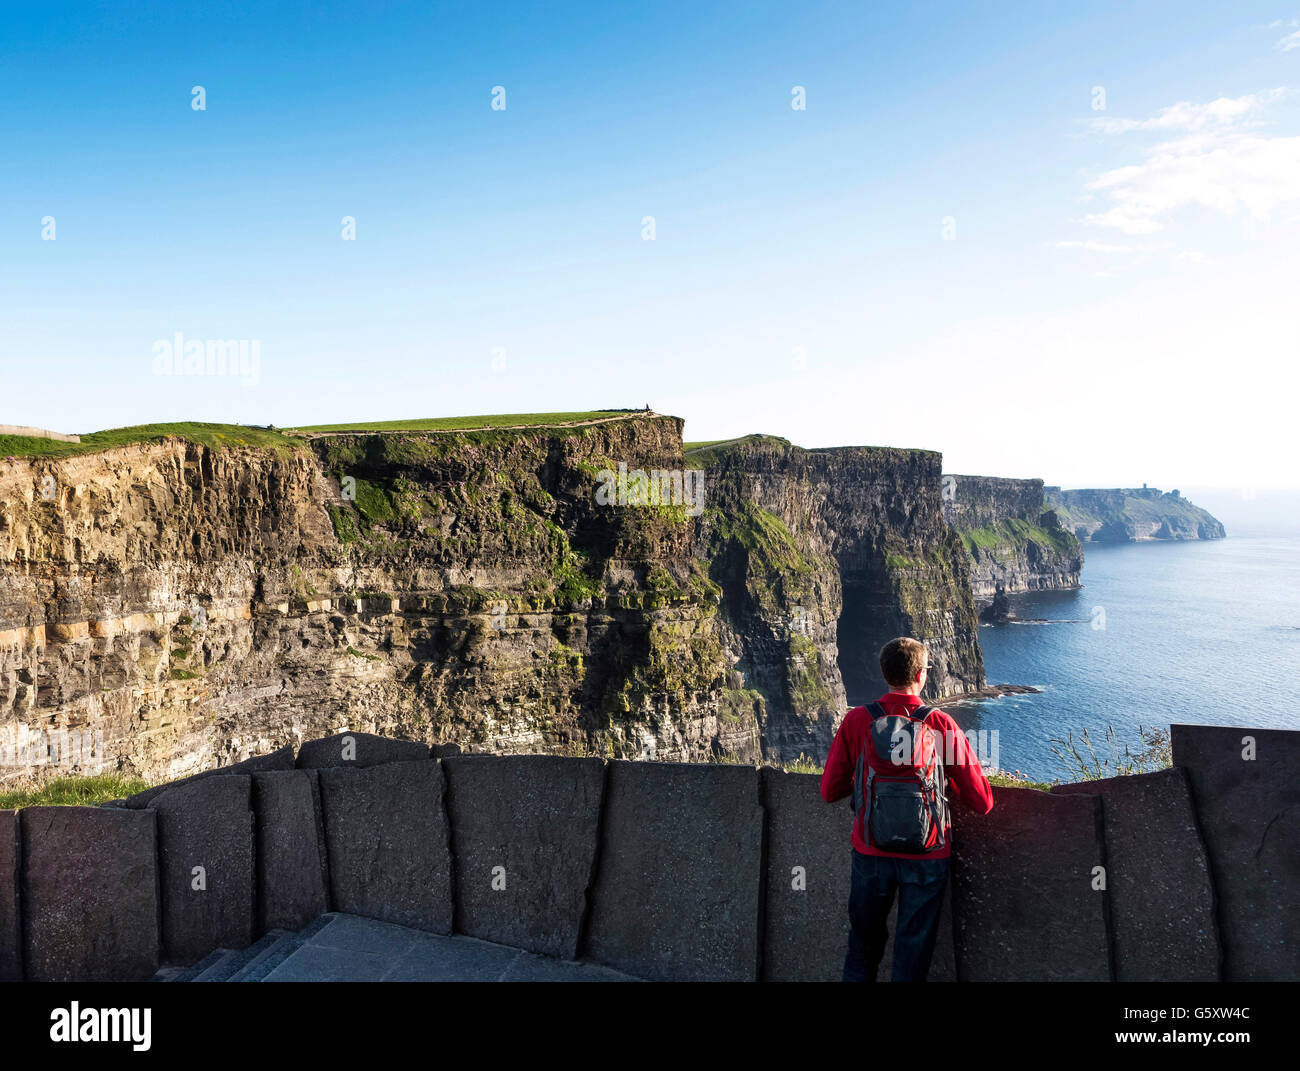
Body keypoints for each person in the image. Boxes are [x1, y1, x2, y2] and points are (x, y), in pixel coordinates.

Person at [819, 636, 993, 981]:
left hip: (870, 853)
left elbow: (829, 792)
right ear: (921, 675)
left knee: (862, 946)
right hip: (927, 858)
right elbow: (983, 802)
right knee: (912, 952)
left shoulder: (857, 721)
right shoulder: (940, 724)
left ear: (885, 673)